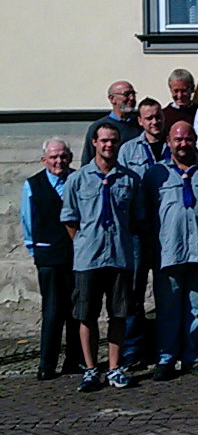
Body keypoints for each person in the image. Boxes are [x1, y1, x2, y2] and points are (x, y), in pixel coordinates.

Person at [62, 121, 144, 391]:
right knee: (86, 314)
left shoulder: (130, 180)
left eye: (113, 140)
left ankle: (114, 367)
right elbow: (70, 219)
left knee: (119, 314)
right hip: (88, 257)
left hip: (119, 256)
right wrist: (84, 243)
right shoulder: (77, 180)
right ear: (94, 143)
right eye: (104, 140)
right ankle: (90, 369)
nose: (109, 145)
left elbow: (136, 218)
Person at [143, 121, 198, 380]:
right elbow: (146, 214)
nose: (183, 144)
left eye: (188, 139)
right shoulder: (155, 174)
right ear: (169, 141)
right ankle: (166, 358)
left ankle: (192, 356)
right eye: (178, 139)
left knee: (197, 308)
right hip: (168, 251)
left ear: (195, 140)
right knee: (168, 309)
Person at [22, 137, 82, 380]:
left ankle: (74, 360)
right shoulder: (32, 185)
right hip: (48, 256)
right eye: (54, 157)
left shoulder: (78, 179)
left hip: (76, 255)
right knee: (53, 310)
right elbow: (27, 221)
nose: (59, 161)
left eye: (63, 156)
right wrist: (36, 250)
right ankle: (47, 364)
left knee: (76, 310)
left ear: (70, 157)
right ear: (44, 159)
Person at [118, 98, 169, 369]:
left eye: (158, 116)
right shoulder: (128, 150)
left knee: (167, 291)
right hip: (138, 232)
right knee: (134, 293)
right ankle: (132, 351)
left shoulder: (174, 145)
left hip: (167, 232)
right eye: (149, 118)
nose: (154, 121)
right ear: (140, 121)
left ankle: (166, 348)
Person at [81, 81, 141, 165]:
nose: (132, 98)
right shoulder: (98, 127)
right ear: (112, 98)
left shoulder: (141, 124)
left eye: (133, 94)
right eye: (126, 94)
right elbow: (87, 161)